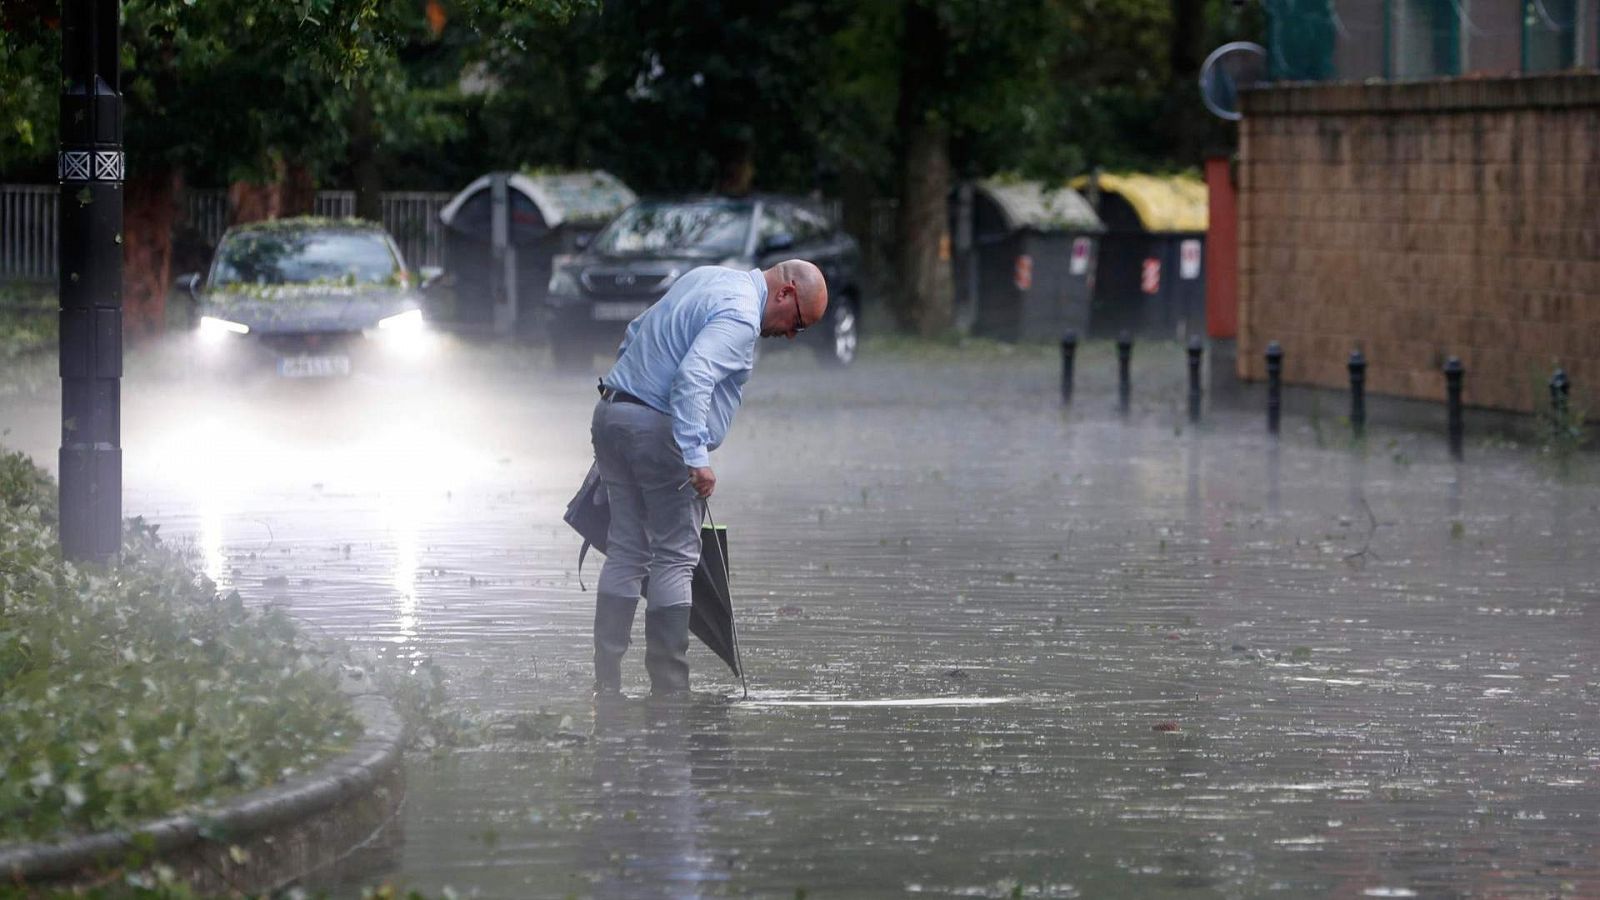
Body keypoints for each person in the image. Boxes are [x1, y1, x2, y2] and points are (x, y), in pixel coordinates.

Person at [590, 259, 828, 696]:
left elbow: (636, 331)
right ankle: (669, 694)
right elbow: (693, 376)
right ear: (786, 293)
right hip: (658, 431)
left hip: (611, 411)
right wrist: (696, 457)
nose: (791, 335)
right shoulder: (740, 314)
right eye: (798, 324)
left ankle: (606, 687)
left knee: (625, 549)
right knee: (675, 556)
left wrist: (626, 409)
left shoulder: (711, 278)